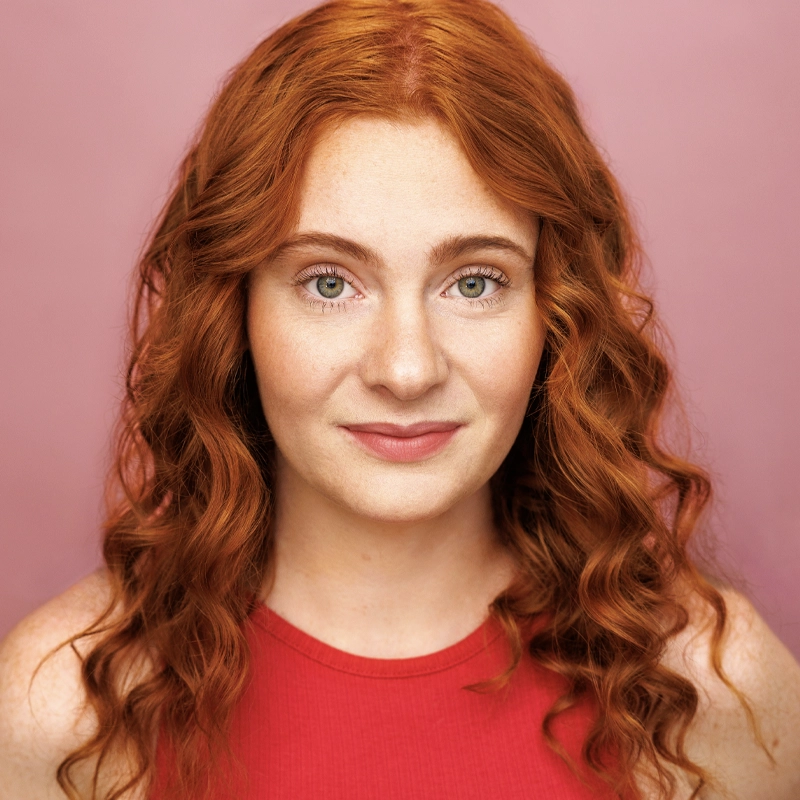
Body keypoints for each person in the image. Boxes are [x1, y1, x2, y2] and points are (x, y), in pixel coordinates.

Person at [1, 0, 799, 798]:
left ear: (556, 311)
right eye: (328, 282)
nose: (407, 368)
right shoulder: (65, 709)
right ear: (232, 308)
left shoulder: (711, 693)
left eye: (475, 281)